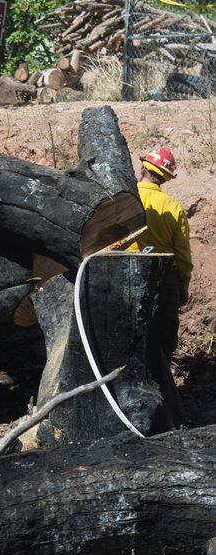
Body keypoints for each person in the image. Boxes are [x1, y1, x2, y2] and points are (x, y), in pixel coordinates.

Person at [126, 147, 192, 423]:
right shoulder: (173, 207)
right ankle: (166, 404)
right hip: (164, 281)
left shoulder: (126, 199)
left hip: (125, 277)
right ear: (164, 178)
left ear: (143, 169)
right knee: (162, 343)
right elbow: (183, 256)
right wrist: (183, 286)